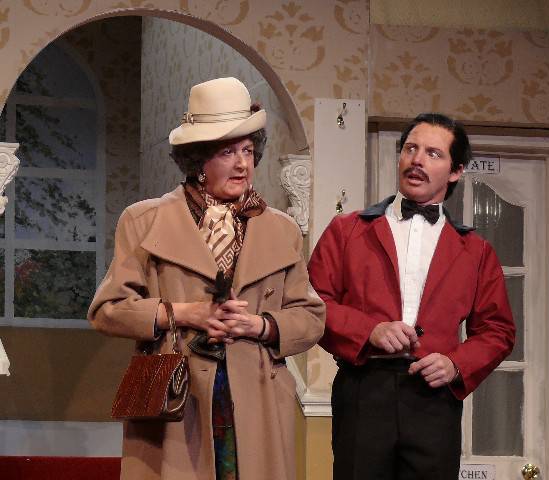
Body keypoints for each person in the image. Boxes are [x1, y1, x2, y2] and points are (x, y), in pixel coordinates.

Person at [89, 77, 325, 480]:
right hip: (176, 395)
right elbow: (108, 311)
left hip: (257, 394)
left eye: (248, 150)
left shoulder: (281, 228)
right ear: (198, 159)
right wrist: (184, 313)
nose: (242, 164)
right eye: (227, 151)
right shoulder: (145, 220)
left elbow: (310, 317)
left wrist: (259, 324)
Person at [308, 113, 515, 480]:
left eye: (433, 153)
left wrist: (455, 364)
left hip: (433, 395)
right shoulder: (346, 230)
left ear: (456, 171)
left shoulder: (476, 251)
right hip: (363, 388)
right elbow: (310, 304)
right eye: (410, 149)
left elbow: (497, 330)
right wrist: (369, 330)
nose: (417, 160)